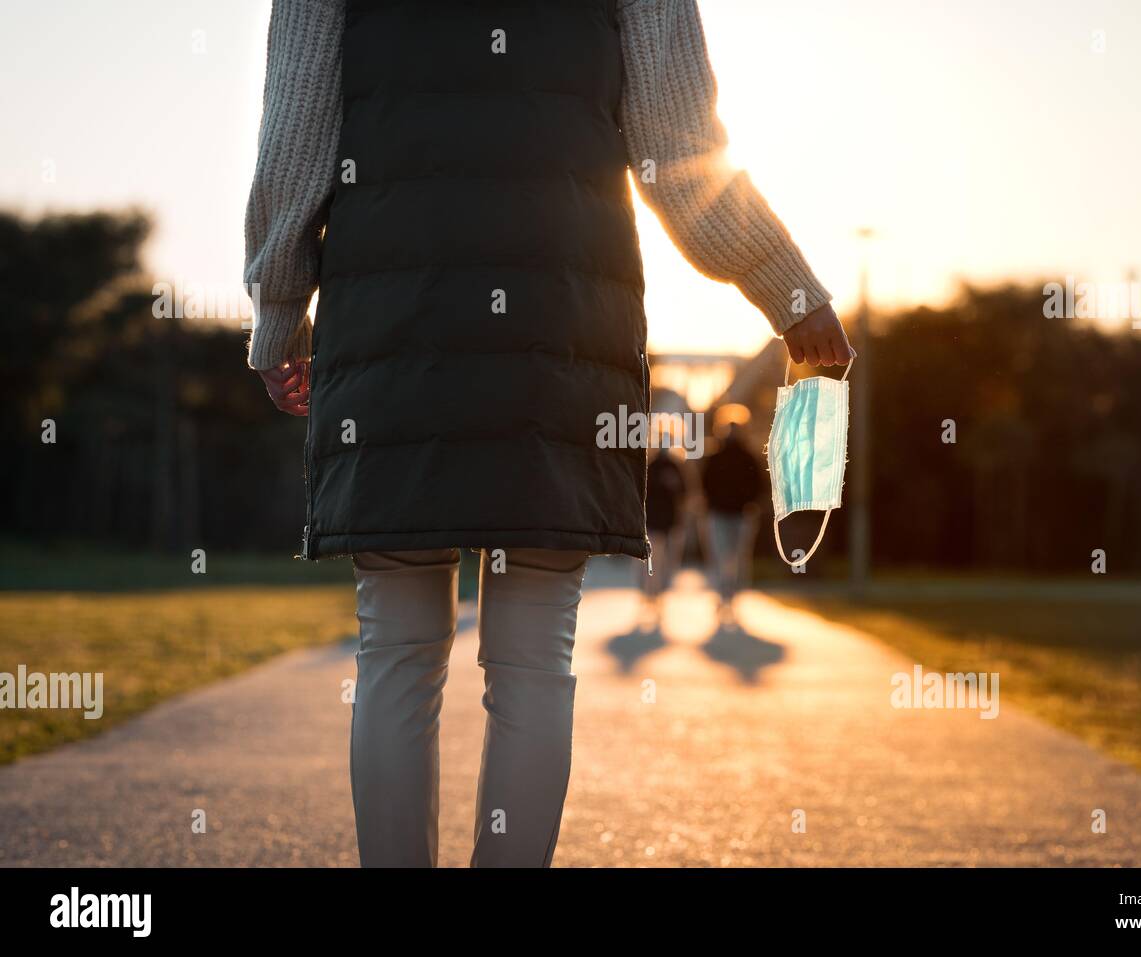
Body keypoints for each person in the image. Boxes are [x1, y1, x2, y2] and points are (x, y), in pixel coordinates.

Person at [245, 0, 853, 867]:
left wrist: (276, 312)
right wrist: (789, 289)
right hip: (564, 330)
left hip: (390, 327)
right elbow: (682, 152)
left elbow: (296, 131)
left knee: (395, 646)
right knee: (535, 659)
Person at [701, 423, 766, 624]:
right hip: (726, 514)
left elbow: (758, 484)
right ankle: (727, 594)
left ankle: (729, 595)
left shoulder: (744, 457)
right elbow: (706, 484)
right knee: (732, 556)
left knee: (731, 556)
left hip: (737, 514)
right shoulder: (720, 457)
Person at [641, 444, 691, 627]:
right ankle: (650, 594)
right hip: (653, 523)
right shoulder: (650, 466)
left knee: (669, 564)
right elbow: (641, 493)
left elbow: (685, 493)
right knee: (653, 562)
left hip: (671, 523)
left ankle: (659, 594)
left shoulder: (676, 467)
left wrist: (674, 484)